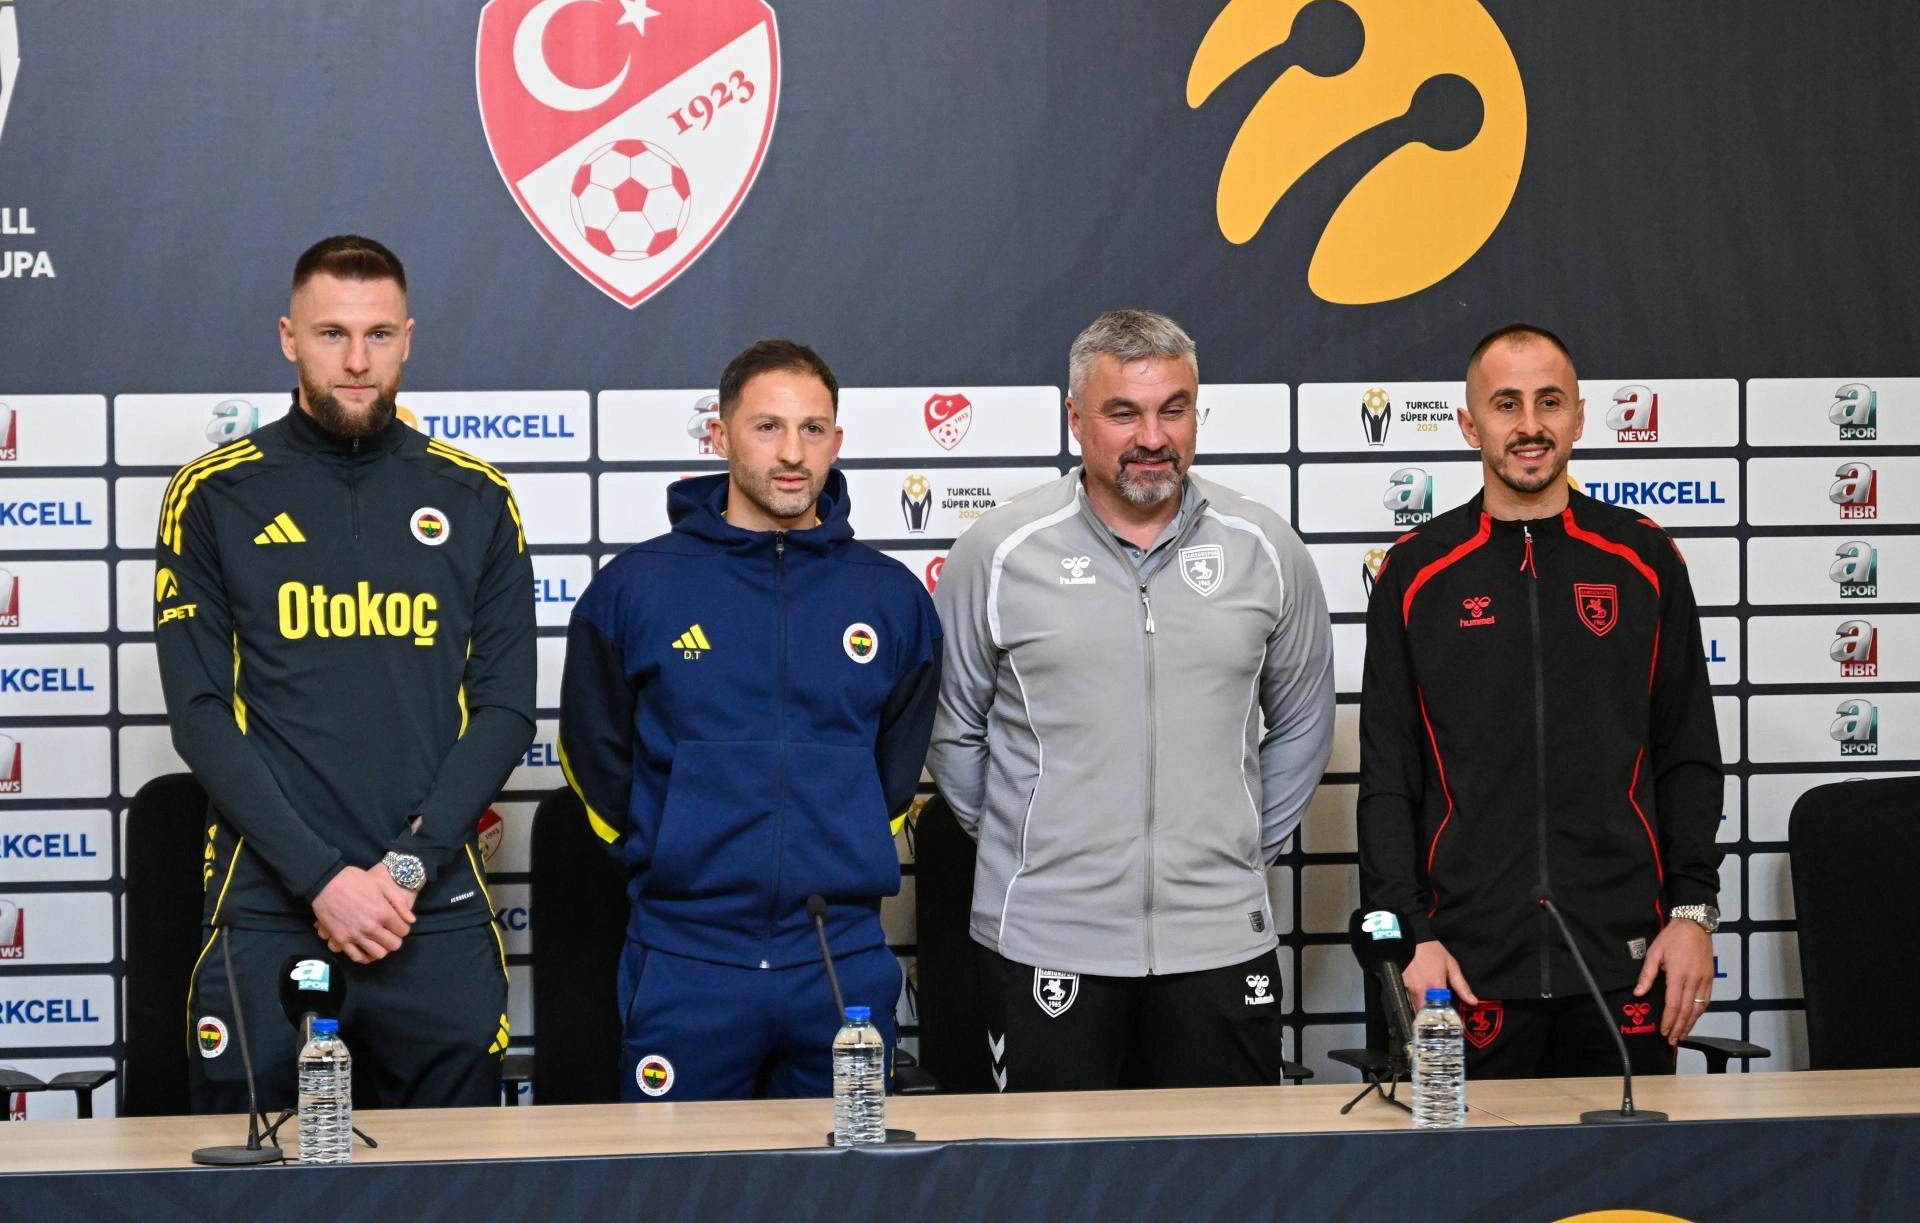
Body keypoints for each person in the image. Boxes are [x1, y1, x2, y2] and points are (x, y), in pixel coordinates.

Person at [156, 235, 534, 1112]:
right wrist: (324, 880)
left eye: (378, 335)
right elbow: (201, 713)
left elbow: (507, 710)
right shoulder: (213, 494)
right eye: (332, 333)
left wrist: (401, 872)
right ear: (290, 337)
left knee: (454, 1181)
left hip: (430, 913)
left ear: (408, 339)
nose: (357, 361)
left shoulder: (478, 496)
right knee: (253, 1176)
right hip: (269, 910)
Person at [928, 310, 1335, 1091]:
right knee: (1055, 1168)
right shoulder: (999, 551)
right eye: (1124, 413)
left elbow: (1305, 725)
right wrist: (1035, 843)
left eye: (1173, 409)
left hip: (1220, 937)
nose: (1153, 437)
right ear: (1075, 419)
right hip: (1049, 940)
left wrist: (1235, 847)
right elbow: (953, 733)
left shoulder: (1266, 548)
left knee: (1223, 1164)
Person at [558, 340, 941, 1102]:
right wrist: (669, 853)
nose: (793, 452)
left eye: (813, 429)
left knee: (849, 1172)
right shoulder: (634, 589)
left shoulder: (892, 597)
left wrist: (839, 837)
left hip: (838, 958)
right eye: (768, 427)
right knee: (677, 1170)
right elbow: (592, 756)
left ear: (836, 439)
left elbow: (895, 769)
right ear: (720, 434)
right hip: (686, 959)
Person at [1358, 323, 1723, 1078]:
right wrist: (1412, 935)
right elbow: (1389, 776)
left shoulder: (1644, 558)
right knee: (1469, 1162)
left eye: (1549, 402)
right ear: (1470, 425)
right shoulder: (1415, 572)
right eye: (1507, 404)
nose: (1530, 425)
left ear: (1579, 417)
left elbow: (1687, 751)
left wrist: (1692, 915)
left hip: (1626, 964)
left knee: (1627, 1160)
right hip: (1462, 966)